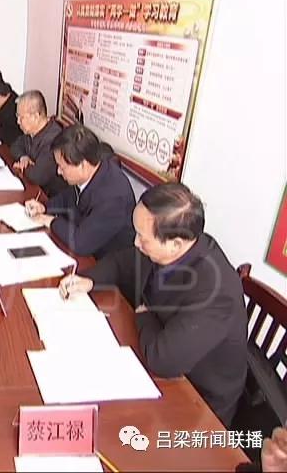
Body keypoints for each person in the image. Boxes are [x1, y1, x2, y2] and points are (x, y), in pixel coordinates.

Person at [58, 183, 248, 427]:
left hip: (197, 401)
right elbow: (122, 261)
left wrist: (143, 315)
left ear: (175, 244)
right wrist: (90, 280)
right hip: (156, 353)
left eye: (143, 238)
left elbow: (163, 360)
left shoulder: (217, 293)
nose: (136, 242)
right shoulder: (177, 245)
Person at [25, 124, 135, 259]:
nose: (58, 172)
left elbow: (81, 243)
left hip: (103, 260)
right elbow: (68, 197)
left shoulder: (114, 198)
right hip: (85, 248)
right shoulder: (92, 171)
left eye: (62, 167)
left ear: (83, 165)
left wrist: (49, 220)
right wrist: (44, 207)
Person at [10, 91, 69, 197]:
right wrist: (23, 157)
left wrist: (23, 167)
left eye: (21, 117)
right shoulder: (31, 131)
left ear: (36, 116)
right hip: (33, 190)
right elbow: (15, 146)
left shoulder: (54, 138)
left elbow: (38, 176)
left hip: (48, 197)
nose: (18, 122)